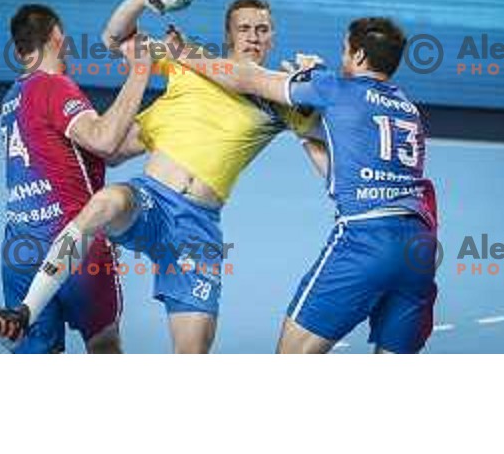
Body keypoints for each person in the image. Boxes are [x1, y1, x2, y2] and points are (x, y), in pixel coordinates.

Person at [0, 0, 315, 354]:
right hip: (151, 200)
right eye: (245, 28)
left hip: (198, 227)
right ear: (228, 35)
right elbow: (114, 37)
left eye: (262, 29)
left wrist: (314, 79)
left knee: (193, 350)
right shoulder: (190, 63)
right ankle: (23, 313)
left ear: (273, 37)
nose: (254, 37)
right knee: (105, 202)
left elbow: (316, 124)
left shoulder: (280, 95)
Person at [176, 17, 439, 354]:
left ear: (358, 56)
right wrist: (301, 126)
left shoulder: (333, 88)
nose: (342, 56)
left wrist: (185, 53)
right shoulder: (408, 110)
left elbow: (248, 78)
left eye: (345, 50)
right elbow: (343, 169)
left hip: (365, 240)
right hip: (418, 248)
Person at [0, 3, 152, 353]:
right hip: (74, 244)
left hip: (19, 249)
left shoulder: (12, 98)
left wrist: (162, 126)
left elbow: (106, 152)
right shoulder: (54, 87)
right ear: (57, 37)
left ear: (18, 49)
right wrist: (140, 71)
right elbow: (104, 137)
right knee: (104, 345)